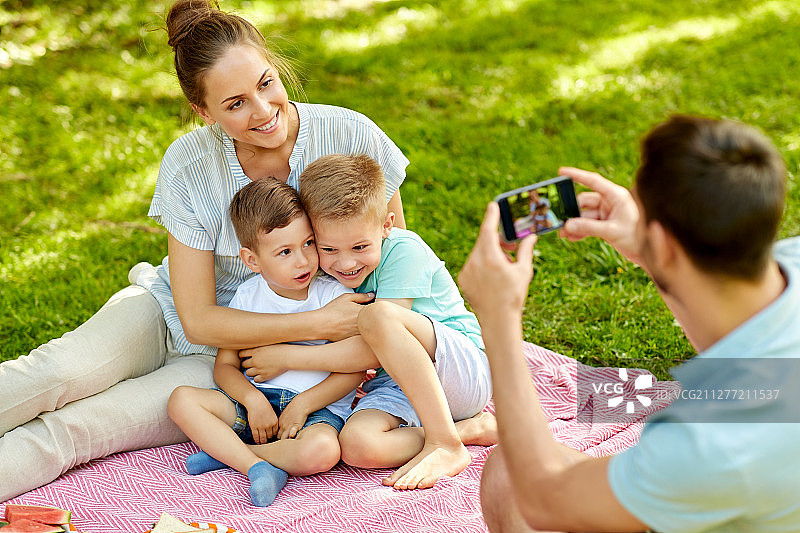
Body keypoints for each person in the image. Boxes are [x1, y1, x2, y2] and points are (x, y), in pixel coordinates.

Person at [0, 0, 408, 501]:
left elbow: (394, 265)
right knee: (55, 372)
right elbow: (197, 319)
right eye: (235, 103)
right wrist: (319, 324)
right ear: (204, 111)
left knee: (78, 429)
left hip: (229, 368)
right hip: (168, 312)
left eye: (265, 83)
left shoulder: (350, 134)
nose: (262, 111)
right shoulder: (190, 162)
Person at [458, 115, 800, 532]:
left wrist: (498, 321)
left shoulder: (710, 439)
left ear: (666, 243)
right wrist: (646, 247)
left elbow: (543, 499)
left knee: (509, 473)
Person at [241, 154, 496, 490]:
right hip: (398, 384)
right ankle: (467, 431)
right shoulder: (323, 271)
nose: (345, 263)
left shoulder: (405, 250)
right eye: (328, 249)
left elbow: (371, 349)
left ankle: (445, 444)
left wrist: (286, 357)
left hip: (459, 369)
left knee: (376, 316)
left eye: (360, 246)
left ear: (387, 225)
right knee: (358, 446)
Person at [167, 178, 364, 506]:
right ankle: (257, 466)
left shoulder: (335, 296)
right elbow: (225, 367)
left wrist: (302, 406)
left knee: (322, 451)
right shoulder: (247, 297)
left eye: (308, 243)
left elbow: (354, 370)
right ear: (252, 260)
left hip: (316, 412)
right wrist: (253, 401)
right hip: (254, 407)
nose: (302, 261)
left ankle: (232, 454)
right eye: (285, 252)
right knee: (181, 401)